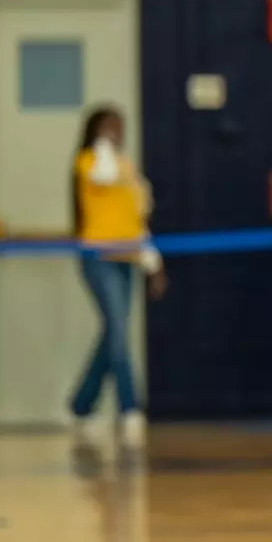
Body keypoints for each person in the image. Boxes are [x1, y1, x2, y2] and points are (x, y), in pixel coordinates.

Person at [69, 105, 164, 445]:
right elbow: (103, 176)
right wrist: (104, 146)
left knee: (114, 333)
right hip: (98, 257)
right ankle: (130, 408)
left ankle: (81, 405)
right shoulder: (89, 162)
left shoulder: (127, 168)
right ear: (95, 130)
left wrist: (154, 264)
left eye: (119, 127)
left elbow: (138, 217)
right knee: (119, 333)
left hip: (129, 256)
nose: (116, 133)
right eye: (109, 127)